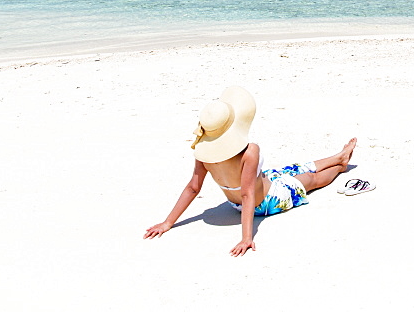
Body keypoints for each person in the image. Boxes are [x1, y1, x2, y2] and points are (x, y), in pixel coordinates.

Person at [143, 85, 357, 256]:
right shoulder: (250, 151)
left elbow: (193, 188)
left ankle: (338, 156)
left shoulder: (204, 153)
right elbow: (247, 194)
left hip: (243, 197)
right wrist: (247, 237)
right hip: (266, 200)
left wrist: (168, 223)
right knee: (310, 179)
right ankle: (340, 166)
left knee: (291, 169)